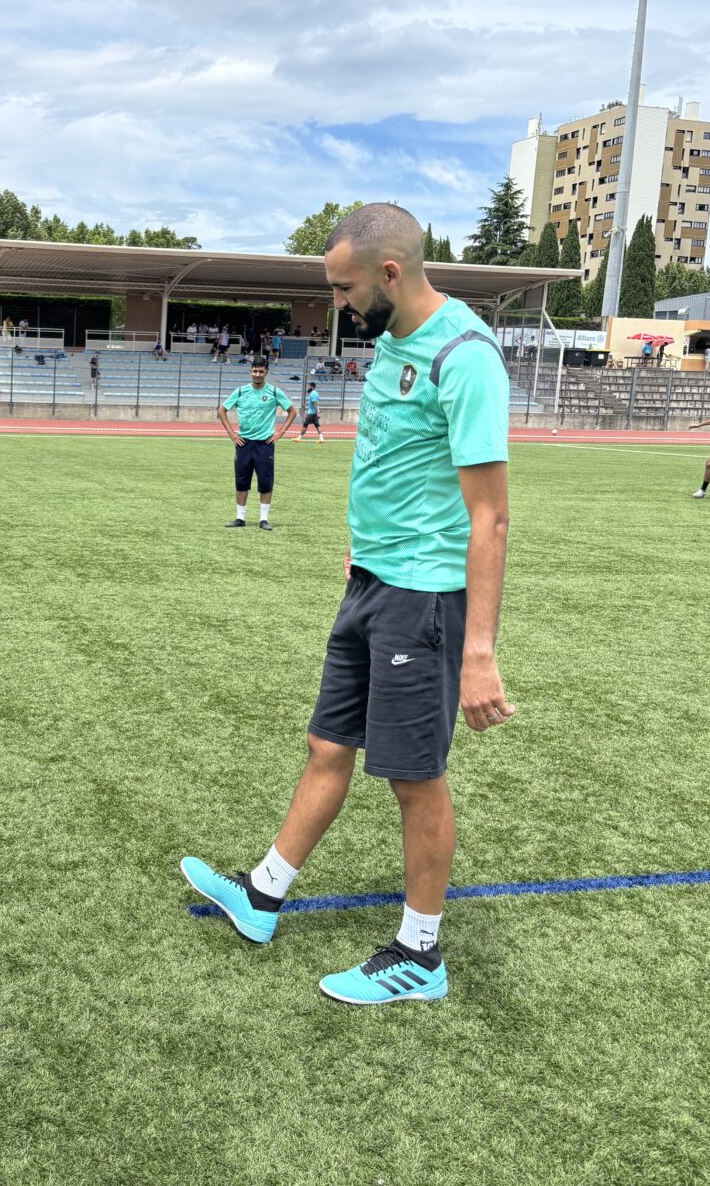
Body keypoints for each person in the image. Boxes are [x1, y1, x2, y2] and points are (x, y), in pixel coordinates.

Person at [183, 203, 514, 1005]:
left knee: (413, 778)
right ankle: (263, 896)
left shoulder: (464, 356)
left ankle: (420, 958)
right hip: (370, 579)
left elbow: (491, 515)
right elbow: (399, 466)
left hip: (423, 598)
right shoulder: (394, 342)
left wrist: (477, 650)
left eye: (342, 289)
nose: (336, 304)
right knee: (327, 744)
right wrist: (362, 546)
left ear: (389, 275)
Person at [218, 355, 297, 530]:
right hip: (243, 443)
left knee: (265, 481)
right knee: (241, 480)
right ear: (250, 372)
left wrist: (280, 432)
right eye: (255, 371)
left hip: (265, 444)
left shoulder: (274, 392)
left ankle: (263, 519)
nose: (258, 374)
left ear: (266, 372)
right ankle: (240, 518)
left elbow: (292, 411)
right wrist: (231, 433)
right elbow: (222, 409)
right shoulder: (240, 391)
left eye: (261, 371)